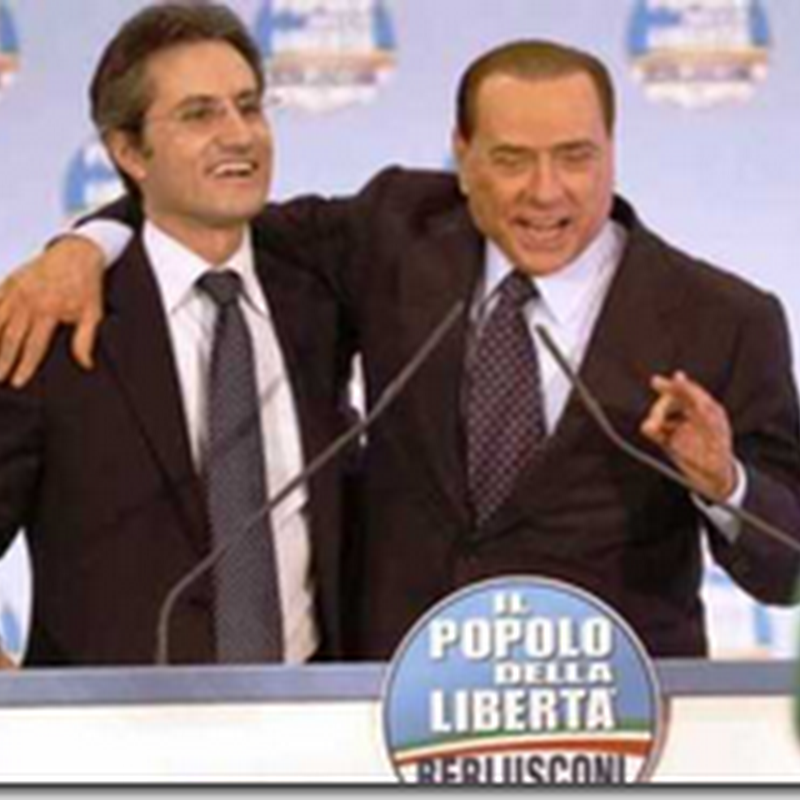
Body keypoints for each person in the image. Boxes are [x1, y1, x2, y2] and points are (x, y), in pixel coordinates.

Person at [2, 38, 799, 660]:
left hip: (608, 726)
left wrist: (724, 482)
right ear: (462, 155)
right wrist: (87, 243)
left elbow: (788, 566)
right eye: (511, 159)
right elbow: (207, 207)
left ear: (612, 148)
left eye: (575, 156)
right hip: (385, 721)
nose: (546, 190)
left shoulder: (723, 320)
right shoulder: (395, 234)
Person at [0, 3, 353, 665]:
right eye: (199, 115)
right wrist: (21, 699)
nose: (239, 135)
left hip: (314, 713)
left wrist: (90, 237)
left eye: (248, 107)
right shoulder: (51, 320)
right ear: (128, 151)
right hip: (110, 723)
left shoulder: (324, 284)